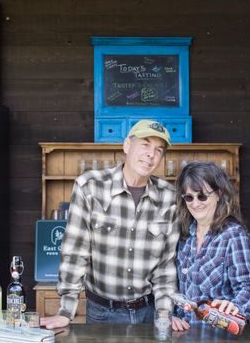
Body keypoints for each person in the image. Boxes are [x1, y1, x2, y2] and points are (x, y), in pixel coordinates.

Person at [41, 120, 181, 329]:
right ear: (126, 145)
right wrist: (66, 311)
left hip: (148, 314)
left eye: (158, 150)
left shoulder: (169, 197)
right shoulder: (90, 186)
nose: (151, 154)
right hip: (101, 313)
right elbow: (76, 252)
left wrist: (164, 314)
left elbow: (165, 266)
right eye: (145, 144)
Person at [173, 161, 250, 330]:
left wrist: (236, 307)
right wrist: (172, 317)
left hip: (218, 340)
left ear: (219, 193)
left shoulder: (233, 235)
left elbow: (248, 289)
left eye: (202, 196)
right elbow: (177, 292)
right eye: (189, 197)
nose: (195, 203)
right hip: (183, 340)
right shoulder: (184, 236)